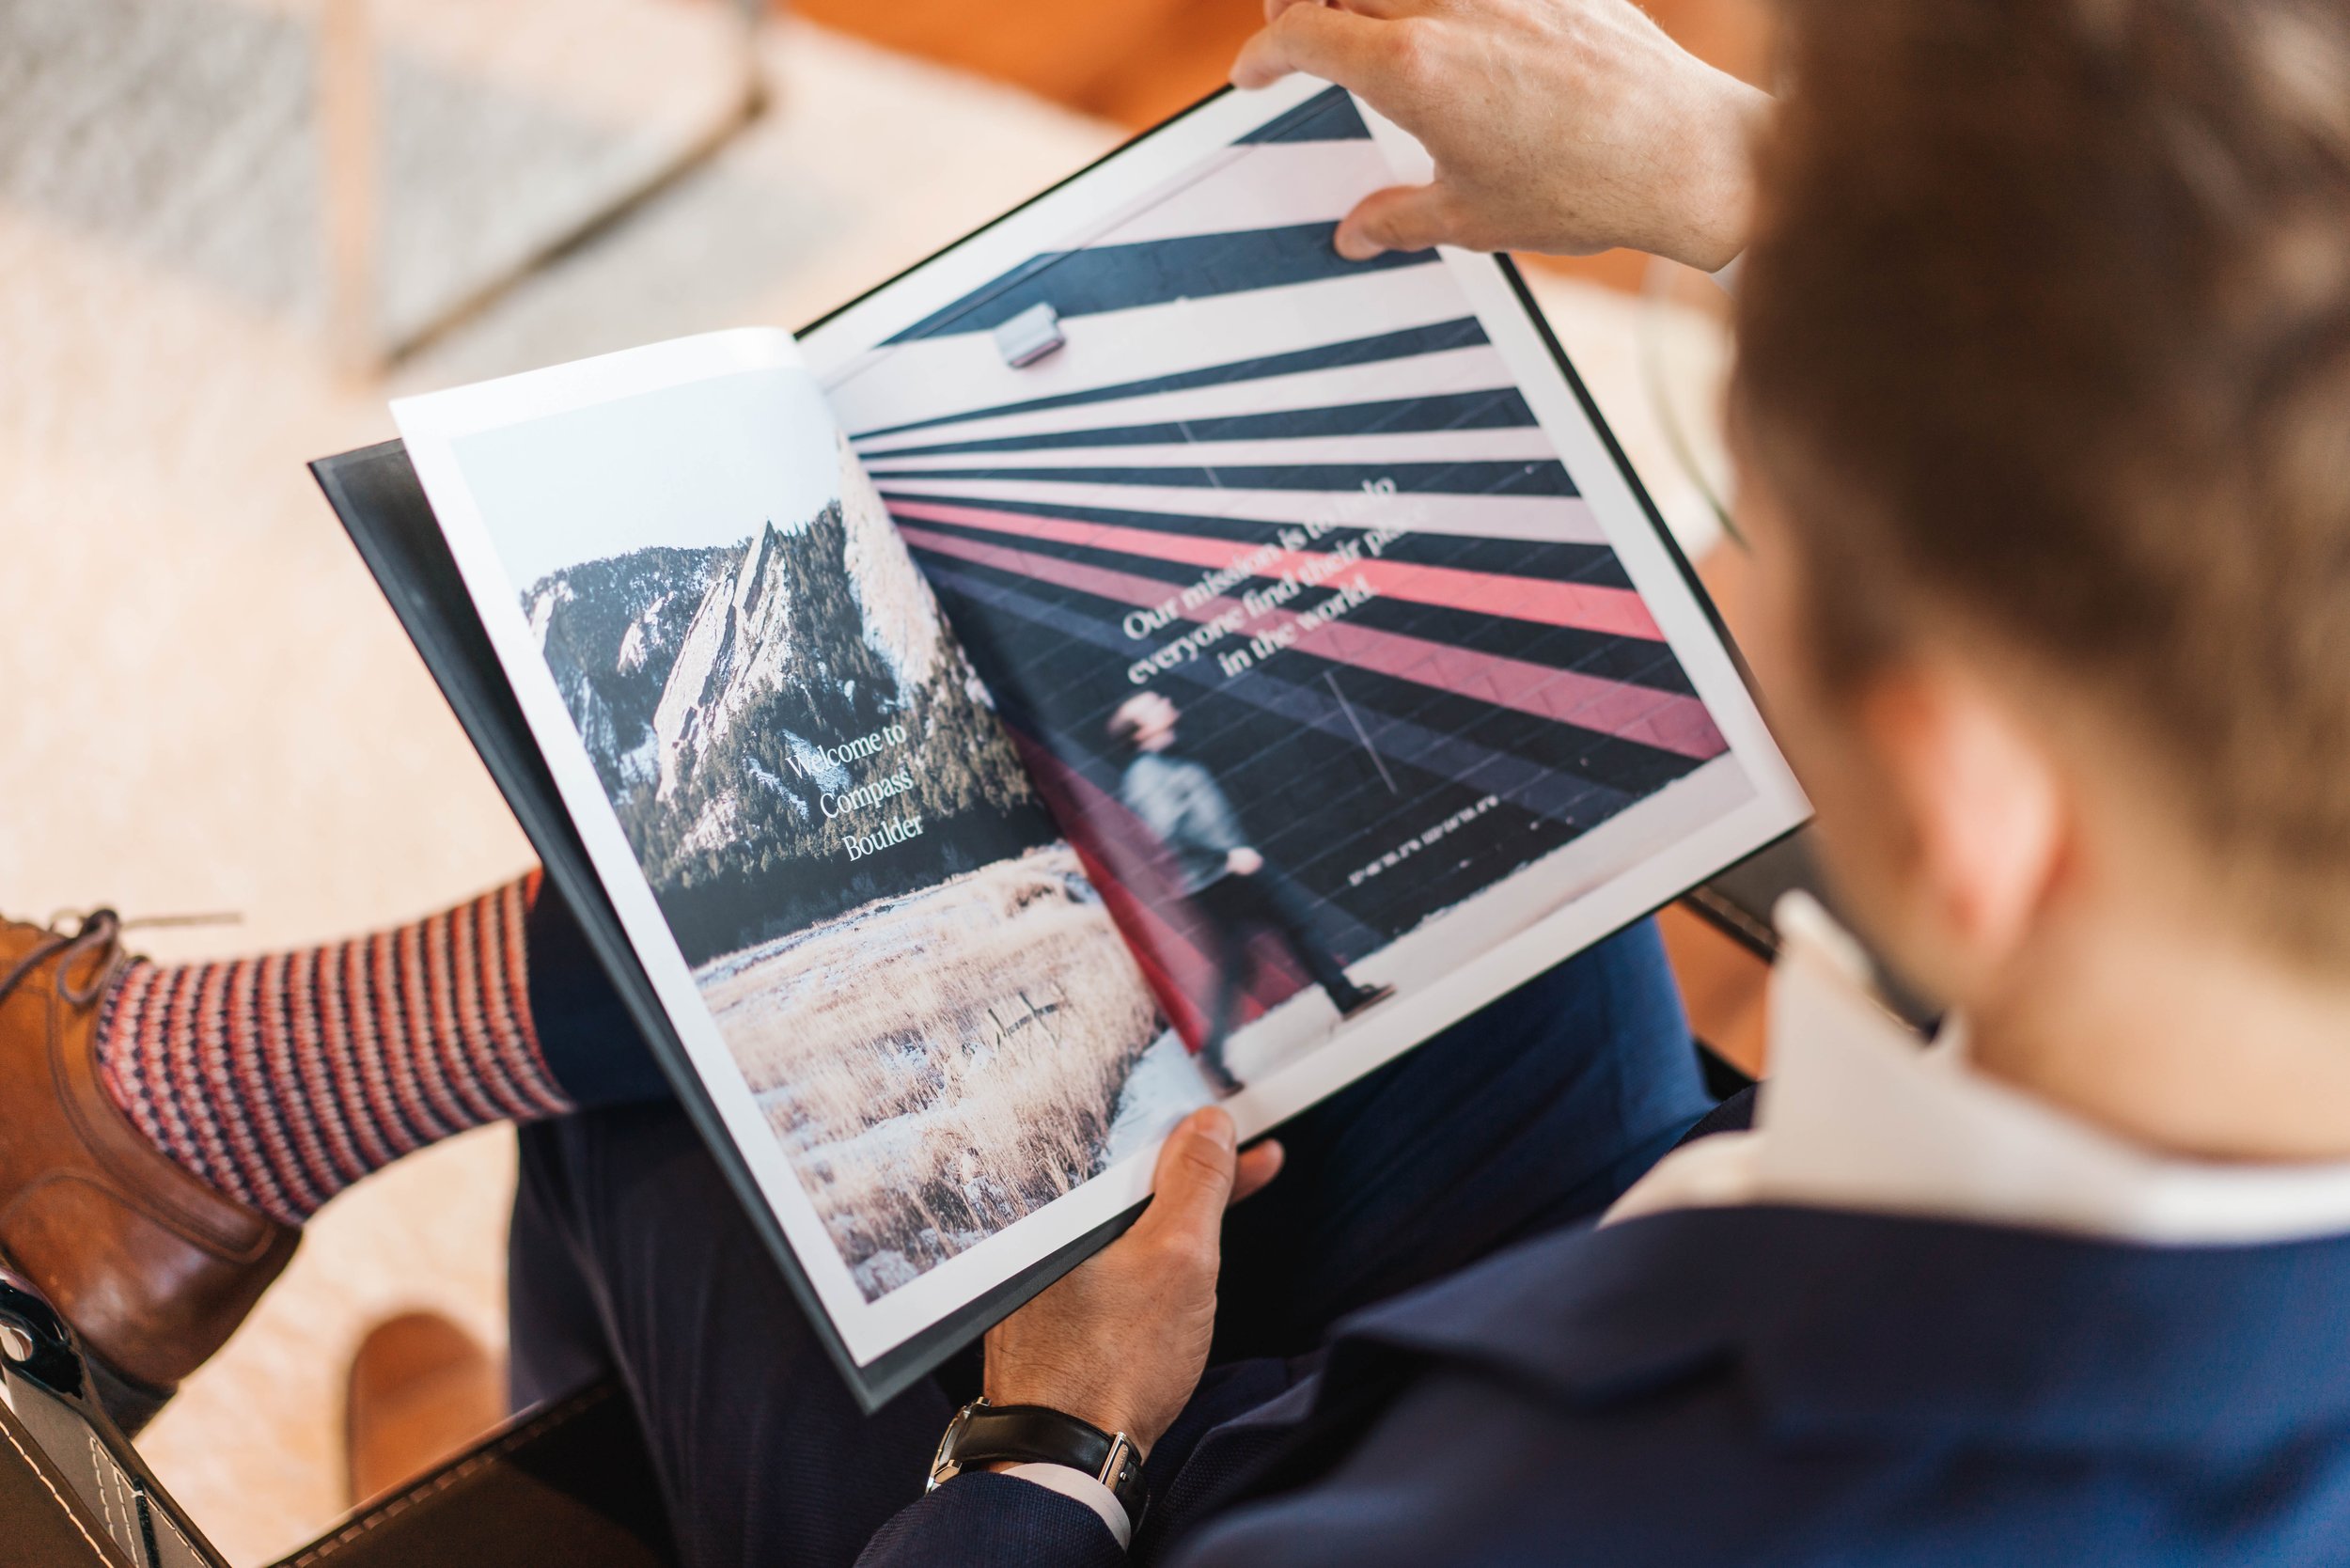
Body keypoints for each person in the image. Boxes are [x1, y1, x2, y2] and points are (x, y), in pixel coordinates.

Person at [2, 0, 2346, 1560]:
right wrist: (1735, 175)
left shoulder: (1579, 1514)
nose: (1720, 575)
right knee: (1127, 784)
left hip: (1225, 1480)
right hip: (1701, 1219)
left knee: (741, 1084)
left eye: (1763, 544)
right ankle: (234, 1132)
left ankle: (366, 1267)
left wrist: (1052, 1446)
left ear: (1951, 801)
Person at [1107, 691, 1393, 1090]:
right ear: (1141, 730)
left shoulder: (1167, 757)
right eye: (1151, 705)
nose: (1164, 702)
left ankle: (1337, 999)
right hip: (1220, 876)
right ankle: (1222, 1052)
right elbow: (1169, 828)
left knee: (1266, 946)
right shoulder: (1147, 774)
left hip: (1224, 871)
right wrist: (1227, 855)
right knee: (1273, 941)